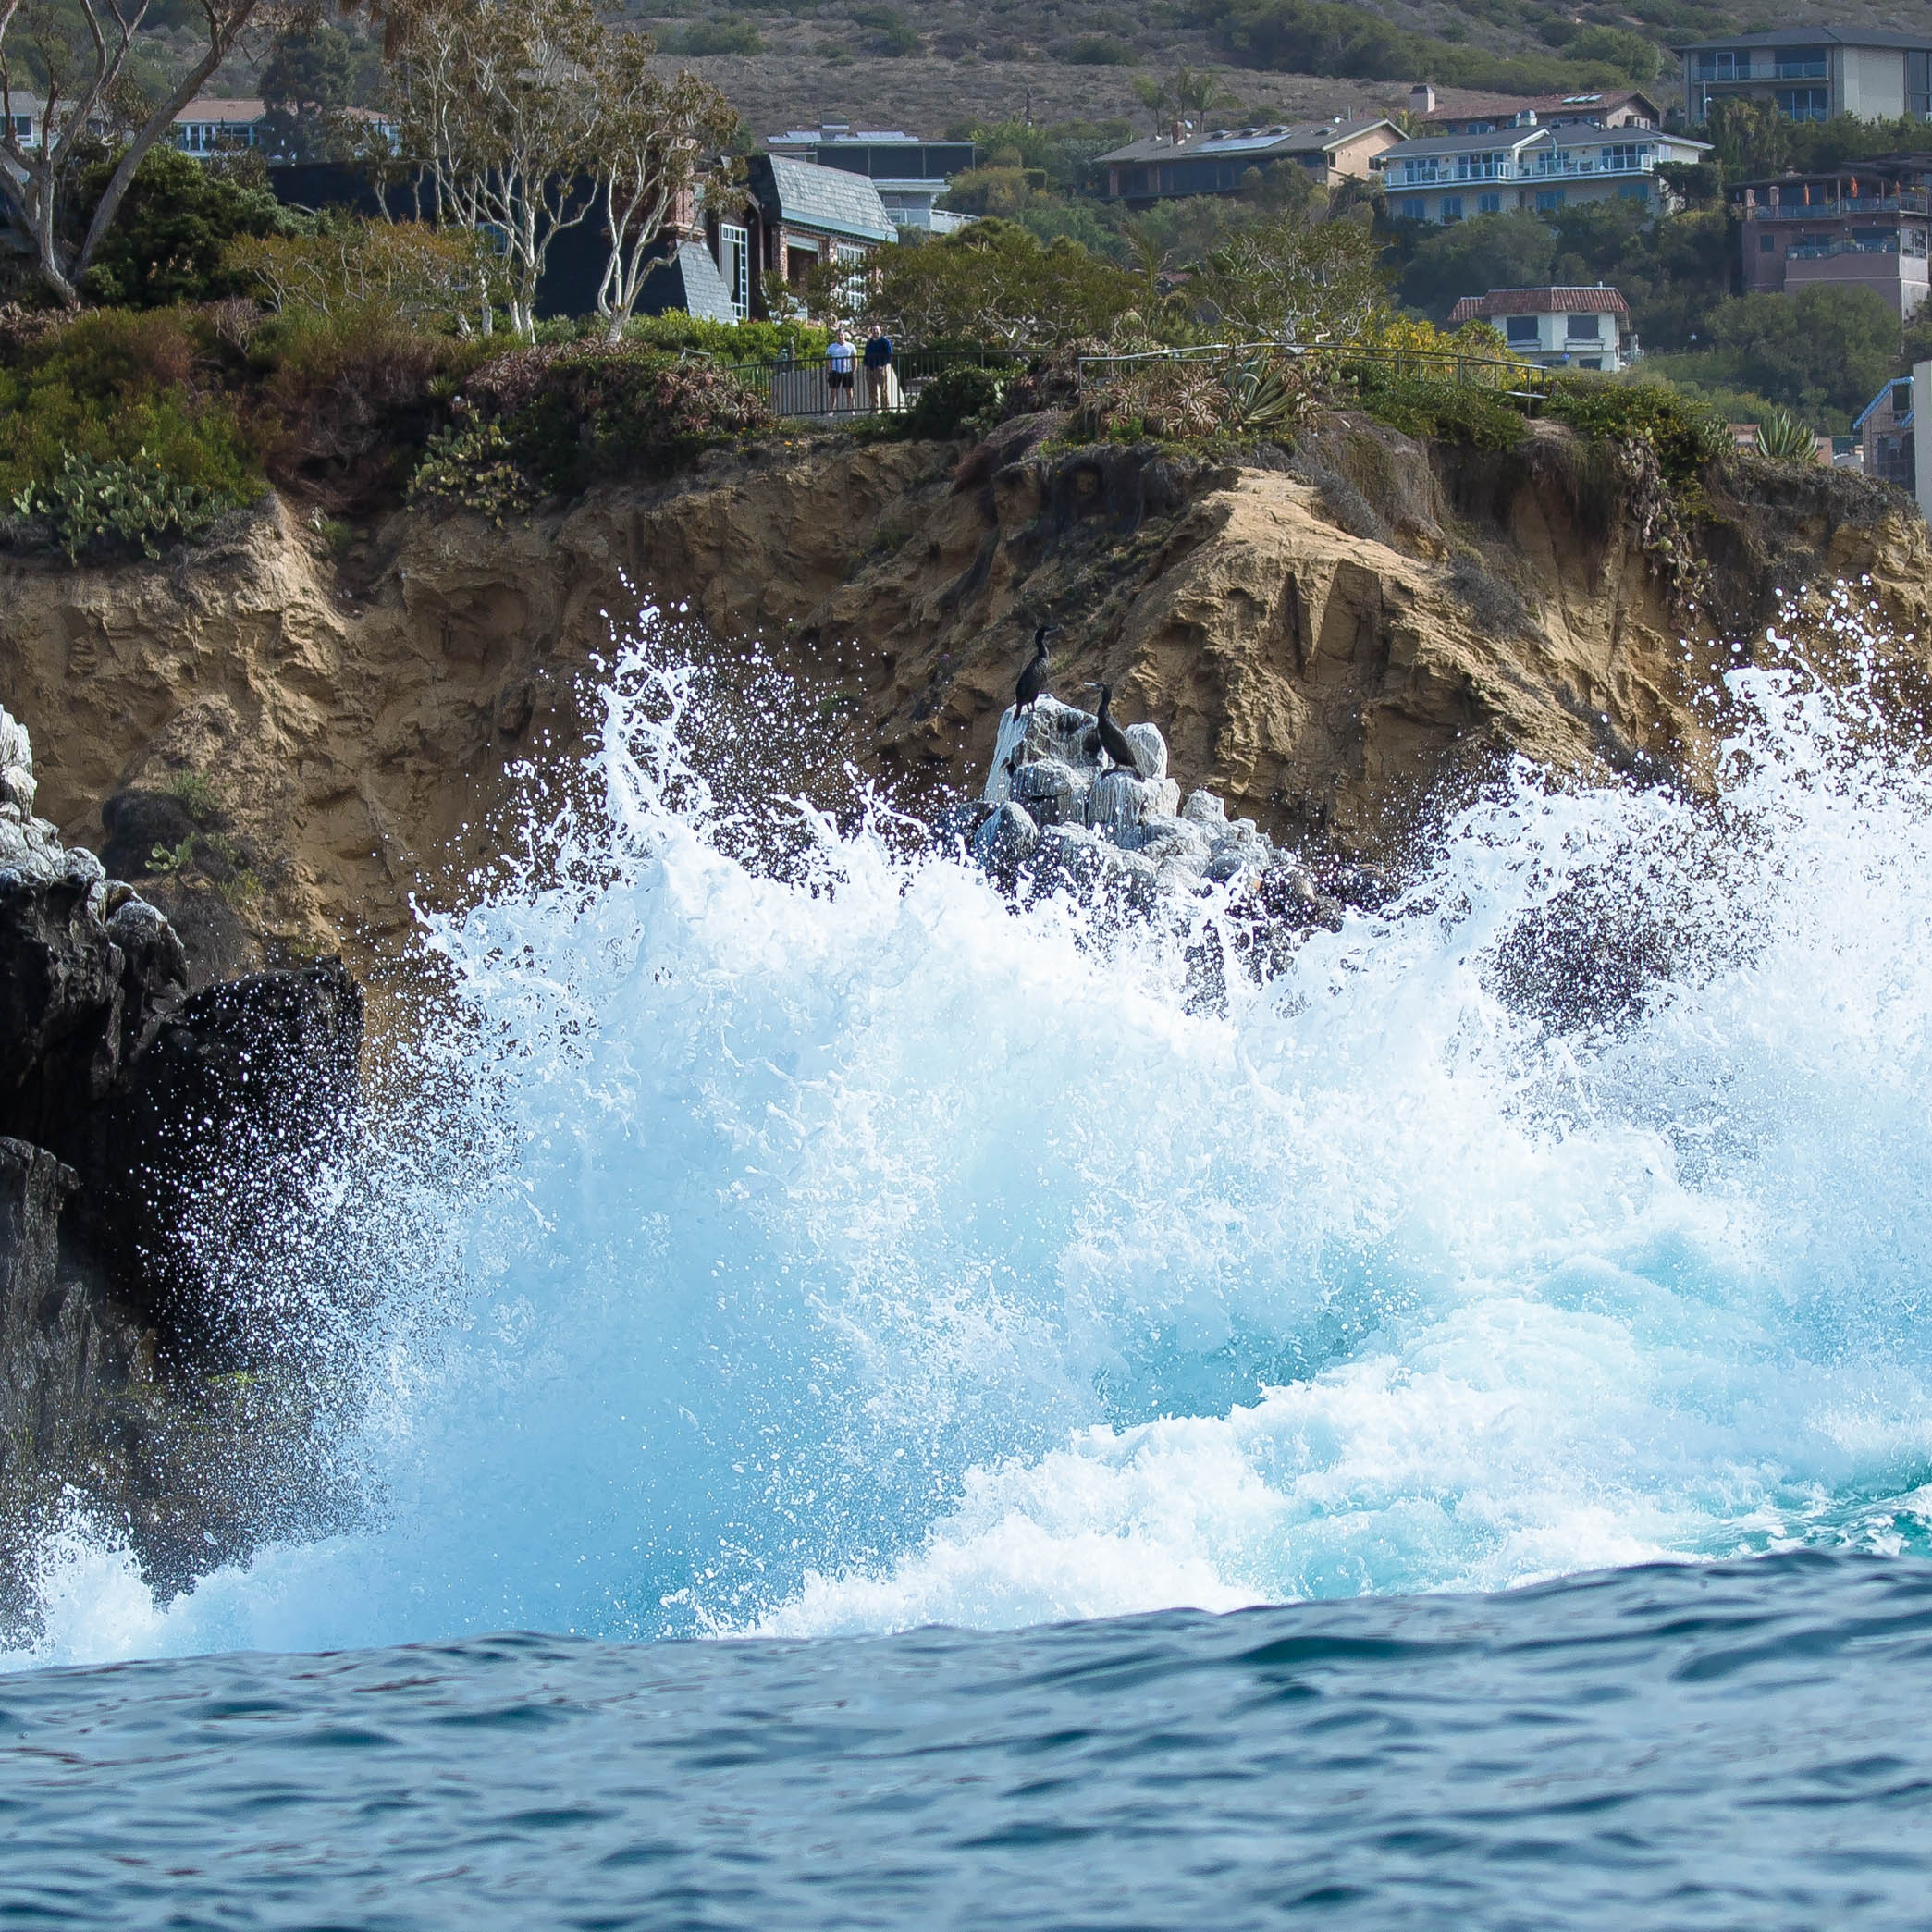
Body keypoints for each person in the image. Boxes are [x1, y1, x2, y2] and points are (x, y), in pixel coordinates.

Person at [863, 322, 894, 412]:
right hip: (870, 369)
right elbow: (866, 355)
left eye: (876, 329)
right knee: (872, 391)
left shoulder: (885, 341)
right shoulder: (869, 343)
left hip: (880, 369)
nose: (875, 331)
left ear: (880, 331)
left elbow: (889, 355)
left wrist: (882, 365)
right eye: (873, 330)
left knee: (883, 390)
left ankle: (885, 410)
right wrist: (866, 366)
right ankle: (874, 409)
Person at [826, 325, 856, 412]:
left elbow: (854, 359)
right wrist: (830, 371)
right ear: (836, 336)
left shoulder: (850, 346)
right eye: (838, 335)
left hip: (847, 371)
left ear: (844, 335)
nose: (840, 336)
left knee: (849, 392)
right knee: (833, 393)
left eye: (841, 334)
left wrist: (853, 370)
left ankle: (852, 410)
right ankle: (831, 411)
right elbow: (828, 360)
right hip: (835, 372)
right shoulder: (831, 347)